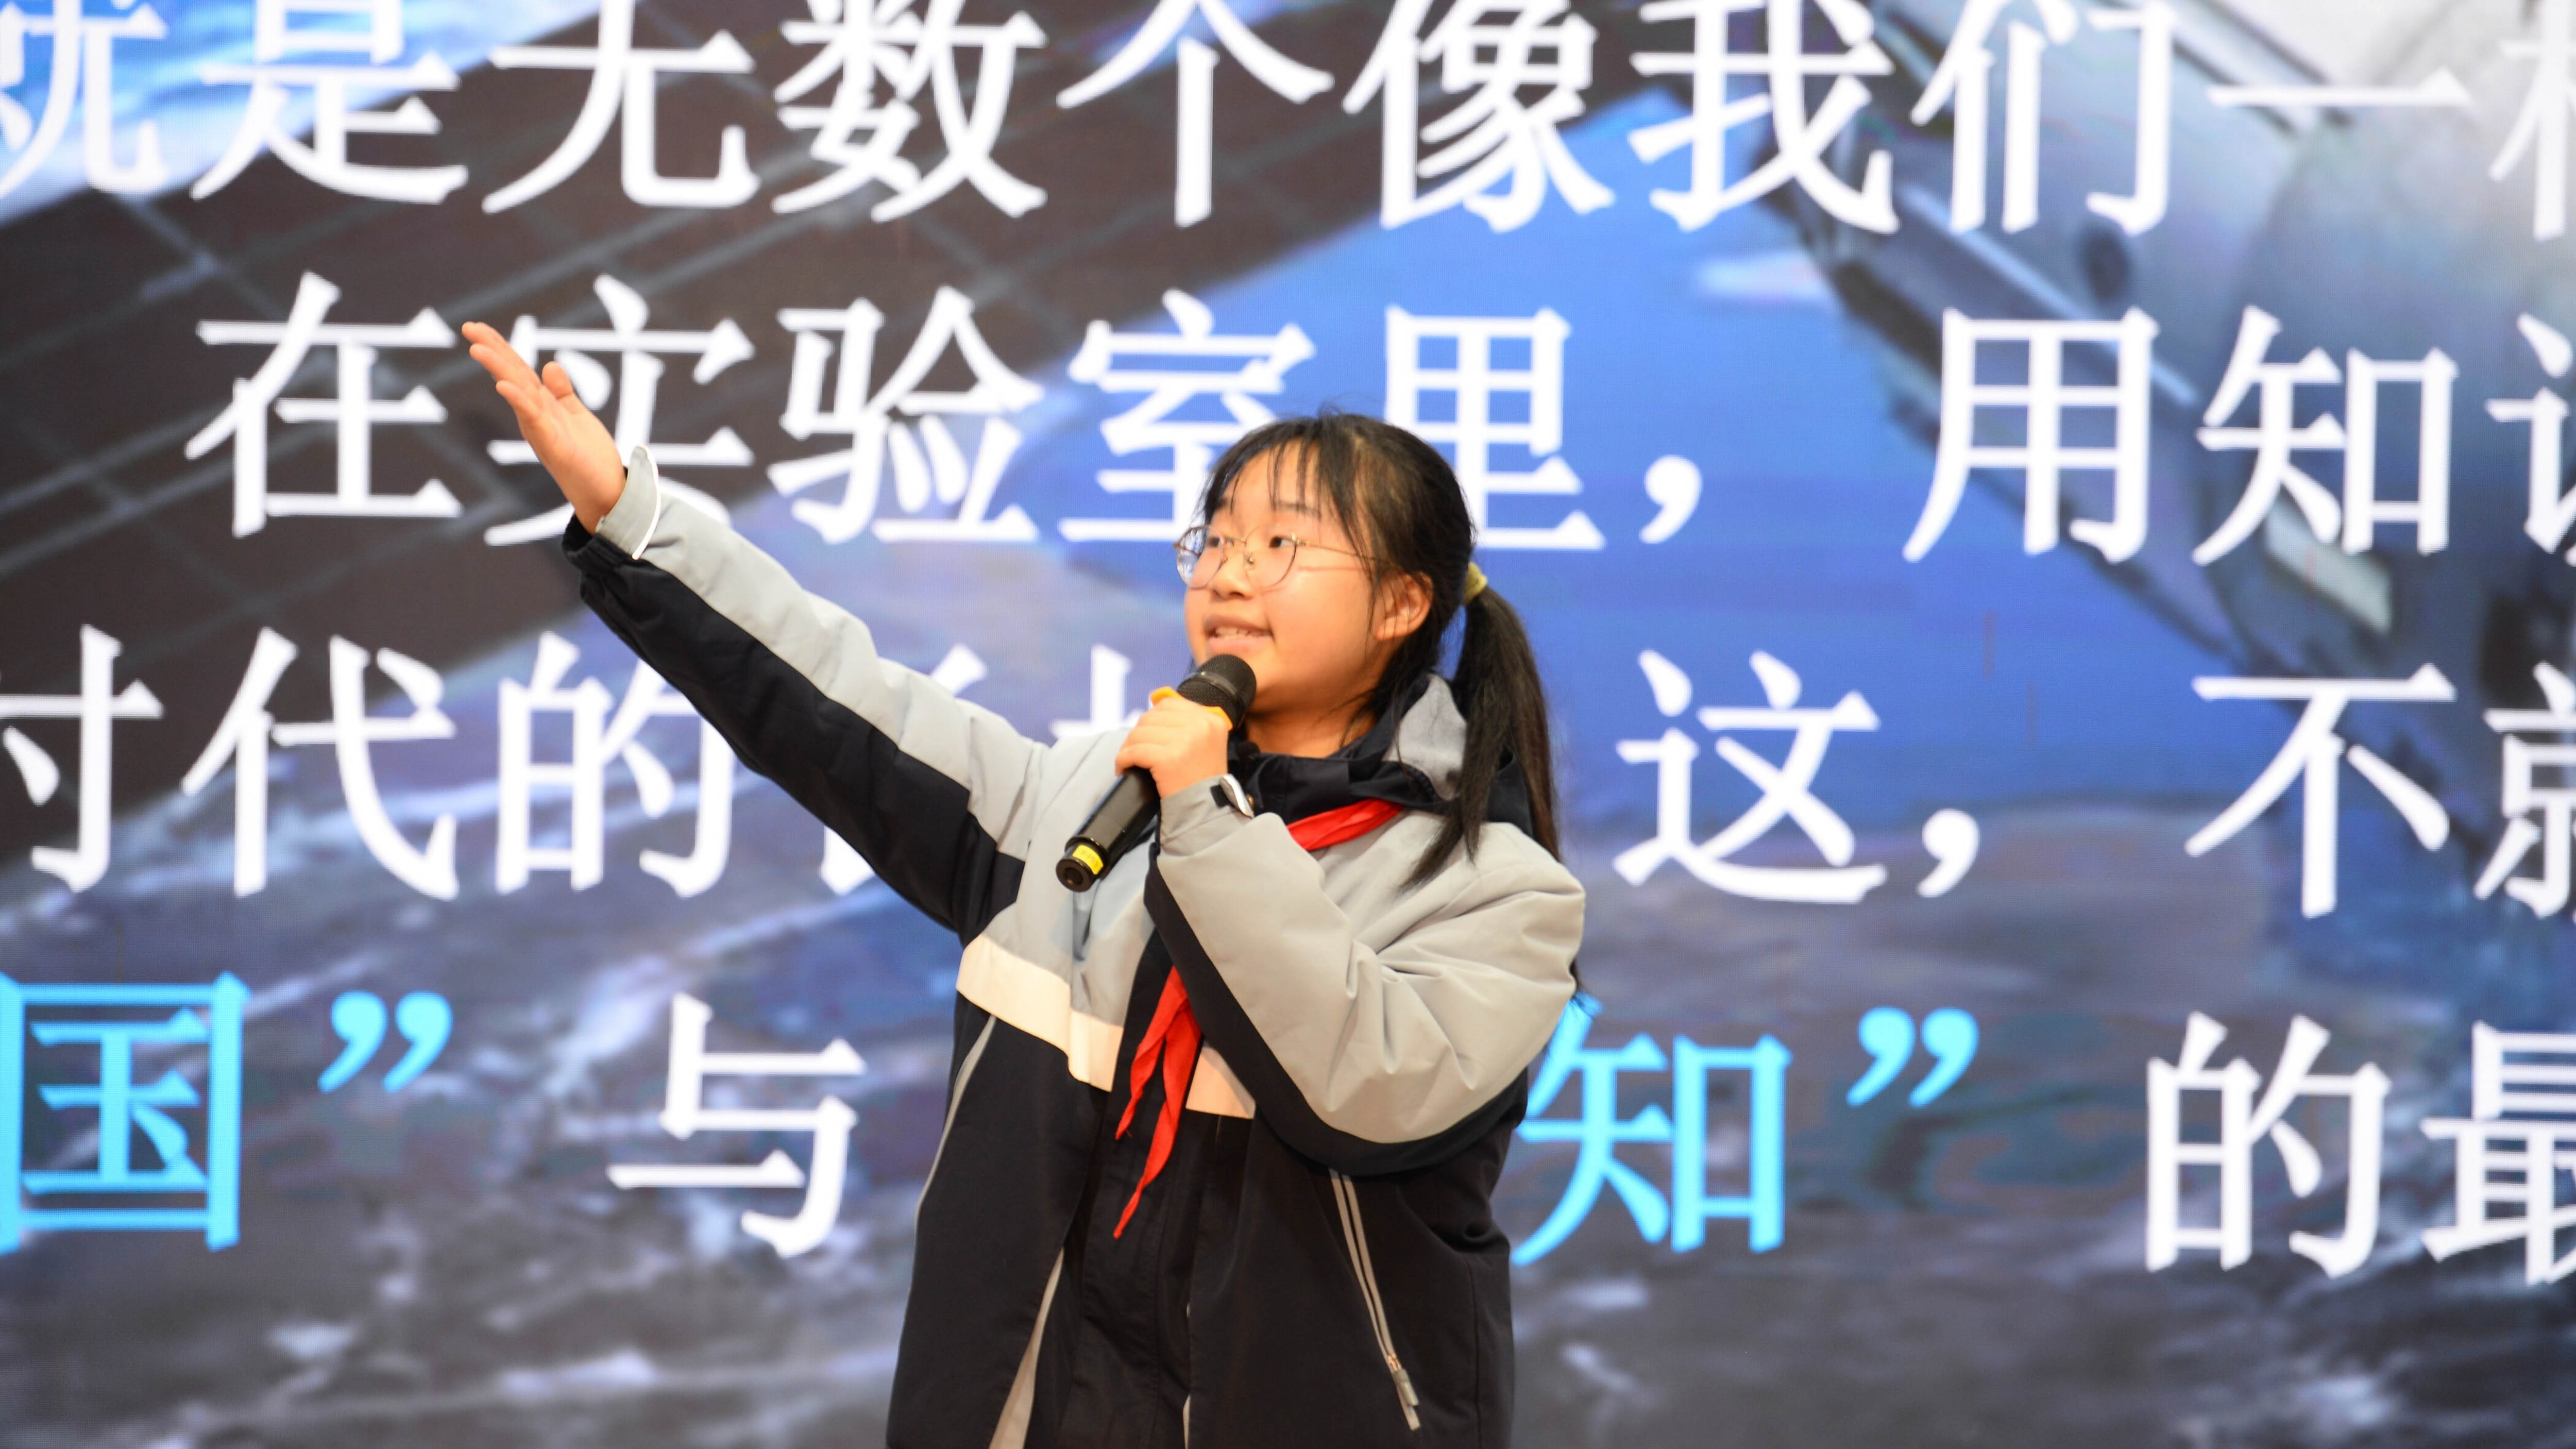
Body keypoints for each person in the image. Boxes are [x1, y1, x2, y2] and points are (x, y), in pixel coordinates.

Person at [463, 321, 1584, 1449]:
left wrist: (1203, 814)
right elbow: (843, 701)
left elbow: (1364, 1086)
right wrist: (632, 518)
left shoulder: (1498, 893)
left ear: (1400, 604)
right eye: (1218, 537)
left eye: (1283, 544)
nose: (1230, 572)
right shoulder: (1082, 802)